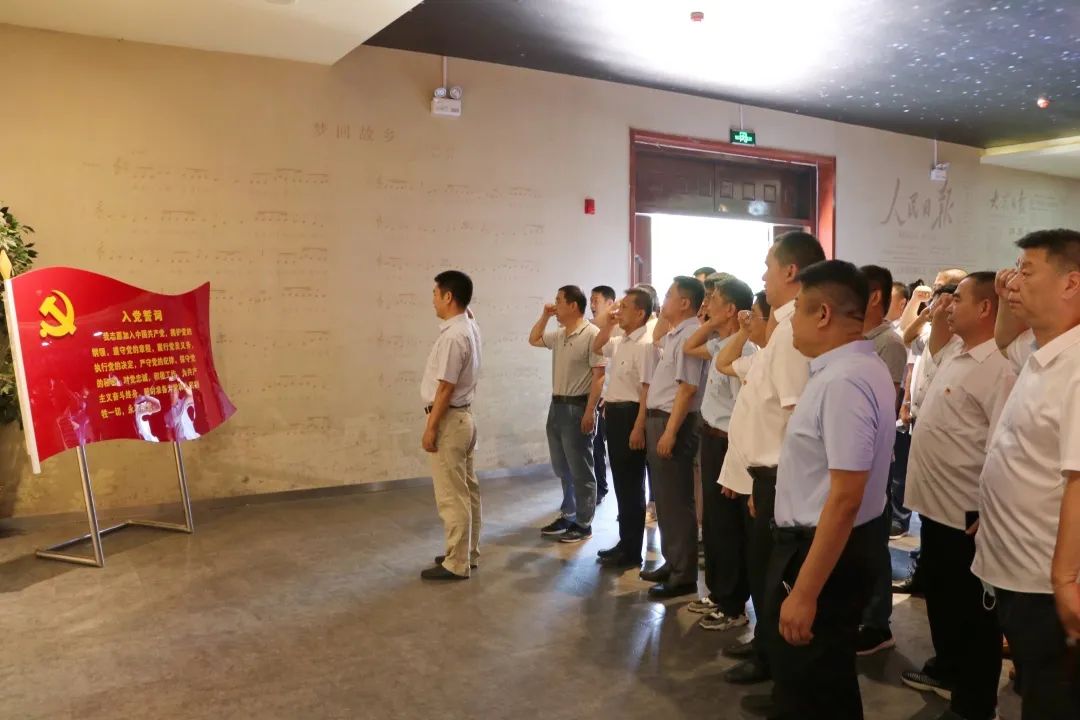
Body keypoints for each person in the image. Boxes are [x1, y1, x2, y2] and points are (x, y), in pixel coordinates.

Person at [757, 259, 895, 720]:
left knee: (812, 685)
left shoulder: (844, 381)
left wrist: (804, 593)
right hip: (828, 544)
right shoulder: (851, 368)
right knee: (821, 682)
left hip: (822, 551)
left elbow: (845, 496)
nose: (791, 320)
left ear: (823, 314)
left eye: (798, 308)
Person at [972, 229, 1080, 719]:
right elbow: (1004, 340)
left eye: (1027, 271)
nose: (1014, 281)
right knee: (1037, 687)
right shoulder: (1043, 350)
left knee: (1052, 699)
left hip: (1045, 581)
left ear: (1070, 283)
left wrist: (1065, 580)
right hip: (1019, 565)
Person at [899, 272, 1014, 719]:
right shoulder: (957, 353)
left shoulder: (999, 366)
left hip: (967, 515)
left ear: (985, 308)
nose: (948, 306)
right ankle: (948, 670)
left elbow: (1003, 445)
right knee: (944, 600)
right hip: (937, 509)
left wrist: (992, 510)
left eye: (958, 299)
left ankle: (975, 703)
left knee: (973, 615)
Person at [713, 231, 825, 686]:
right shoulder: (780, 332)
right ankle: (765, 648)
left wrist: (776, 486)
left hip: (779, 476)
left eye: (767, 268)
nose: (763, 277)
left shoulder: (794, 332)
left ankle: (776, 666)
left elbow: (798, 422)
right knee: (762, 573)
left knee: (773, 577)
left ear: (790, 271)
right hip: (766, 475)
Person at [683, 275, 757, 630]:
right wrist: (712, 322)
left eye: (713, 299)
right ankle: (717, 591)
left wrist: (735, 459)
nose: (705, 304)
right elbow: (689, 345)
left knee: (728, 526)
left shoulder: (745, 351)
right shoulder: (720, 345)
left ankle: (733, 604)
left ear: (730, 309)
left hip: (730, 441)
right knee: (713, 522)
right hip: (711, 437)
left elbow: (745, 412)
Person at [633, 276, 708, 598]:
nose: (662, 301)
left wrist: (671, 432)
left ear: (685, 303)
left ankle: (683, 575)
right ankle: (673, 561)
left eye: (668, 295)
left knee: (676, 501)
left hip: (672, 422)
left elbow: (687, 389)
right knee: (664, 499)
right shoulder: (677, 333)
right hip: (661, 419)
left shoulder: (691, 334)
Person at [856, 264, 908, 656]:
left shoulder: (888, 342)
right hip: (855, 454)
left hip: (871, 457)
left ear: (874, 297)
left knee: (873, 540)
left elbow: (886, 405)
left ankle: (877, 624)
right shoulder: (860, 339)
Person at [419, 270, 483, 581]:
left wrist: (431, 427)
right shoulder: (468, 326)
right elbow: (469, 313)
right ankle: (466, 552)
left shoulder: (454, 337)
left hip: (449, 420)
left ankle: (456, 563)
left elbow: (445, 387)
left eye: (436, 293)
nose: (432, 299)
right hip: (464, 418)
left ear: (448, 297)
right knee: (467, 489)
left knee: (452, 495)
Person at [529, 285, 606, 543]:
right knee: (562, 466)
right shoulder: (561, 334)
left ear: (573, 305)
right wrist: (545, 316)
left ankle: (583, 523)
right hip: (557, 406)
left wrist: (590, 411)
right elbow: (534, 338)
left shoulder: (592, 334)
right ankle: (569, 513)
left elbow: (599, 376)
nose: (555, 305)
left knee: (581, 468)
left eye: (559, 301)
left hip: (578, 407)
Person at [591, 288, 654, 569]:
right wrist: (609, 322)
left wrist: (639, 427)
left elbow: (646, 390)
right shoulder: (621, 340)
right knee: (621, 483)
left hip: (631, 415)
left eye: (625, 307)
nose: (619, 311)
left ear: (640, 313)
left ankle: (632, 551)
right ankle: (625, 542)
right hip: (615, 414)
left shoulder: (645, 344)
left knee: (631, 485)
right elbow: (597, 346)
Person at [590, 285, 617, 503]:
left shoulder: (618, 329)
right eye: (590, 300)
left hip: (616, 399)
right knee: (596, 445)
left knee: (620, 453)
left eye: (595, 300)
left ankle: (650, 500)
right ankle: (600, 488)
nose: (591, 305)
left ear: (610, 303)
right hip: (600, 397)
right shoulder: (595, 329)